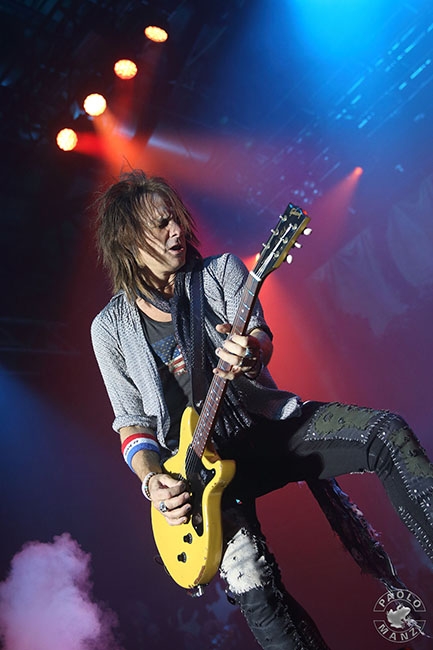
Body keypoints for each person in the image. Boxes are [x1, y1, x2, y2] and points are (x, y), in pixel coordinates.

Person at [91, 170, 433, 650]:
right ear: (127, 242)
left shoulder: (220, 273)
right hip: (200, 473)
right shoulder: (110, 329)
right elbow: (132, 424)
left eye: (176, 219)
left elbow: (258, 336)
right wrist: (153, 482)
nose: (176, 231)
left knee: (386, 433)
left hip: (264, 427)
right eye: (161, 225)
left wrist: (251, 352)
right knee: (258, 596)